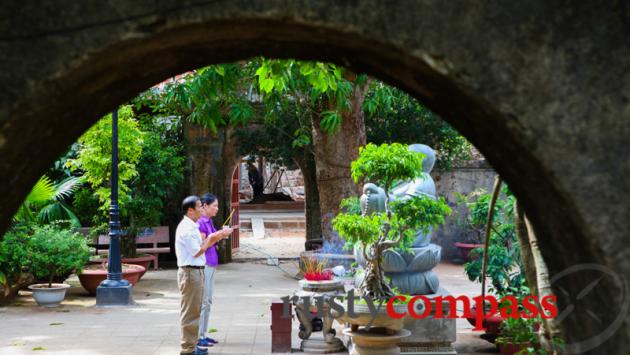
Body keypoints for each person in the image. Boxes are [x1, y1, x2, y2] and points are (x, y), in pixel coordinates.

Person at [175, 195, 217, 355]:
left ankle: (192, 345)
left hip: (195, 272)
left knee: (195, 310)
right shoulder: (186, 228)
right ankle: (187, 349)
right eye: (199, 207)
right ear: (190, 210)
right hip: (190, 272)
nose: (202, 209)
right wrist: (212, 238)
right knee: (190, 313)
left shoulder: (192, 226)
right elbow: (197, 251)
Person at [196, 193, 233, 347]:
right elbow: (202, 245)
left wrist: (221, 235)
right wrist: (218, 236)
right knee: (203, 301)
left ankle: (203, 333)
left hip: (211, 263)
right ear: (205, 206)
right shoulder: (200, 223)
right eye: (214, 206)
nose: (217, 209)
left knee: (208, 301)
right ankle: (198, 336)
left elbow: (212, 239)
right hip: (204, 264)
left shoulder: (209, 221)